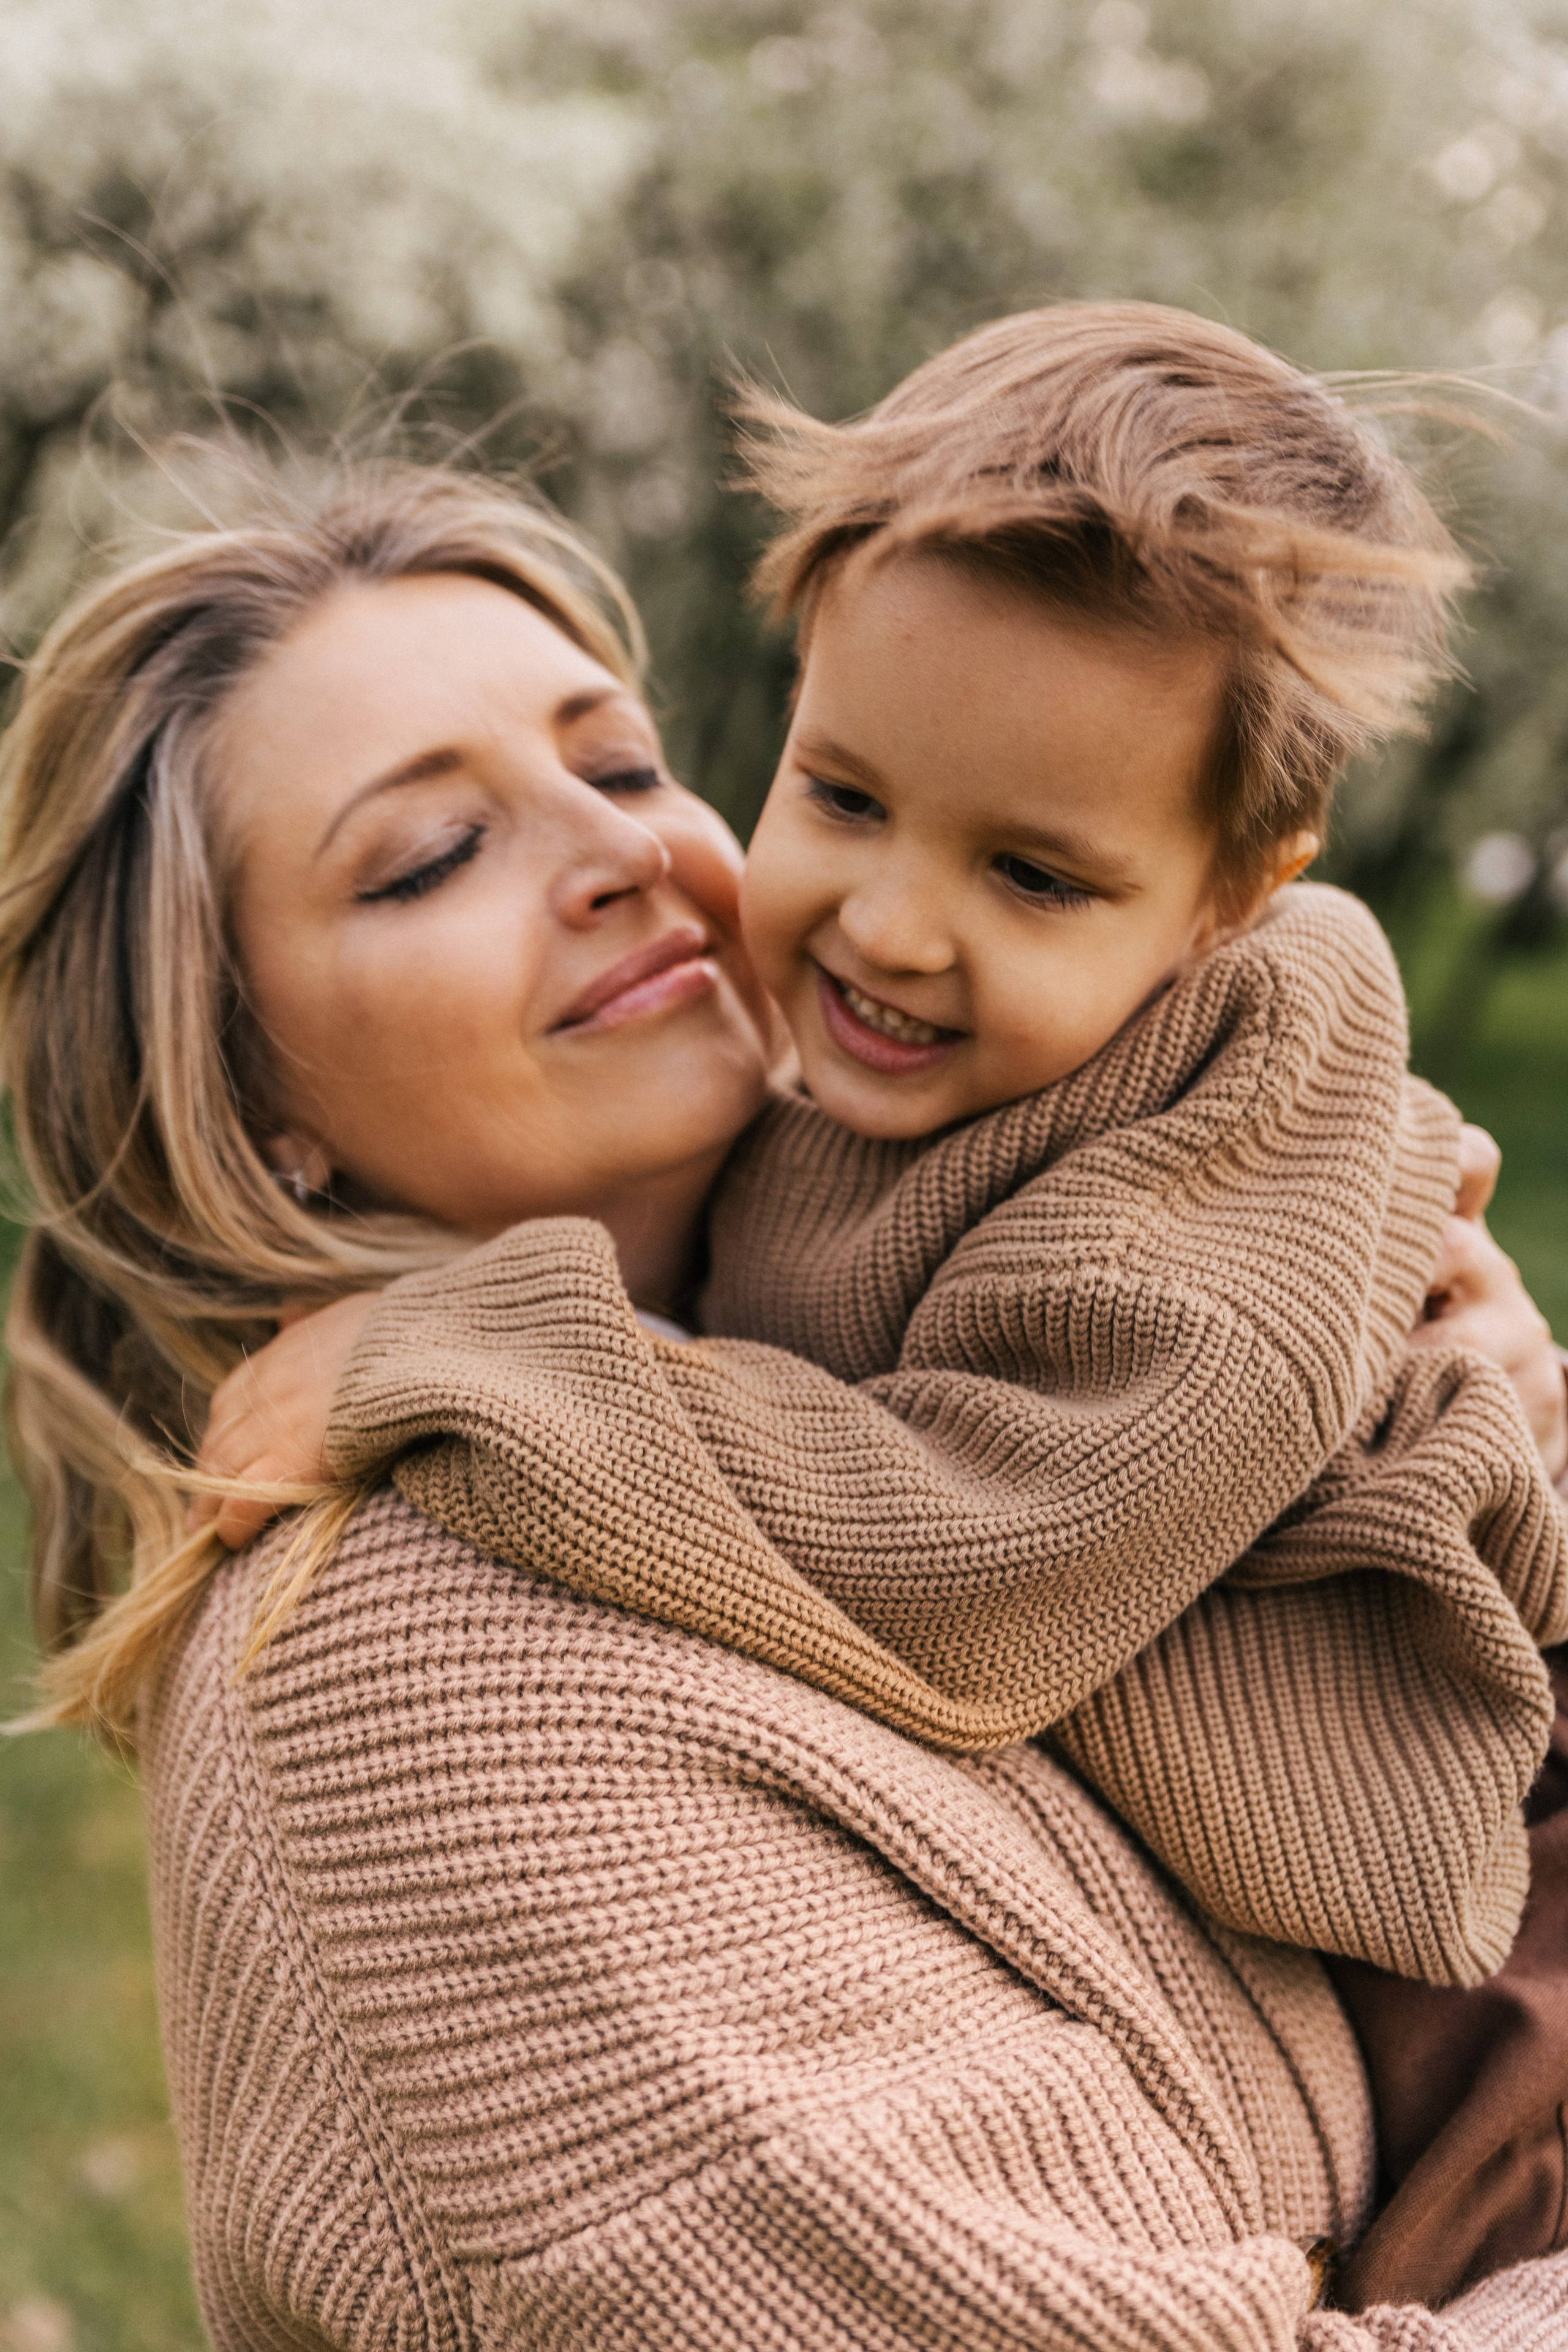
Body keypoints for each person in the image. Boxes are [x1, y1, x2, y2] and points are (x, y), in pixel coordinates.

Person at [6, 455, 1567, 2346]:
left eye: (627, 765)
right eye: (427, 856)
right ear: (244, 1094)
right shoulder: (406, 1682)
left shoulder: (911, 1302)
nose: (624, 853)